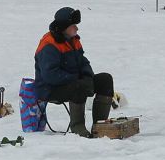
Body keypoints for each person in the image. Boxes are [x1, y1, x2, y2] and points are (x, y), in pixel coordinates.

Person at [34, 7, 114, 137]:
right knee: (78, 86)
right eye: (73, 26)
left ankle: (99, 126)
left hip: (73, 82)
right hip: (50, 89)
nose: (77, 29)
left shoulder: (74, 40)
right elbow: (50, 75)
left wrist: (88, 76)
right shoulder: (48, 45)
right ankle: (78, 128)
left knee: (105, 80)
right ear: (63, 27)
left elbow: (83, 62)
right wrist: (76, 79)